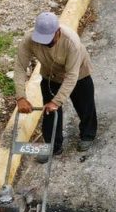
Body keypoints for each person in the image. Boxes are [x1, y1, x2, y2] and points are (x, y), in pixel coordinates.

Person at [15, 11, 97, 154]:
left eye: (48, 39)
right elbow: (20, 67)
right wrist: (21, 97)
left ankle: (87, 135)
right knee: (49, 111)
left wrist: (57, 101)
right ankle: (52, 146)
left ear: (57, 32)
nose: (44, 43)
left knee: (85, 106)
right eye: (41, 39)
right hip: (50, 74)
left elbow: (72, 76)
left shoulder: (71, 42)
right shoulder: (29, 40)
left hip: (78, 74)